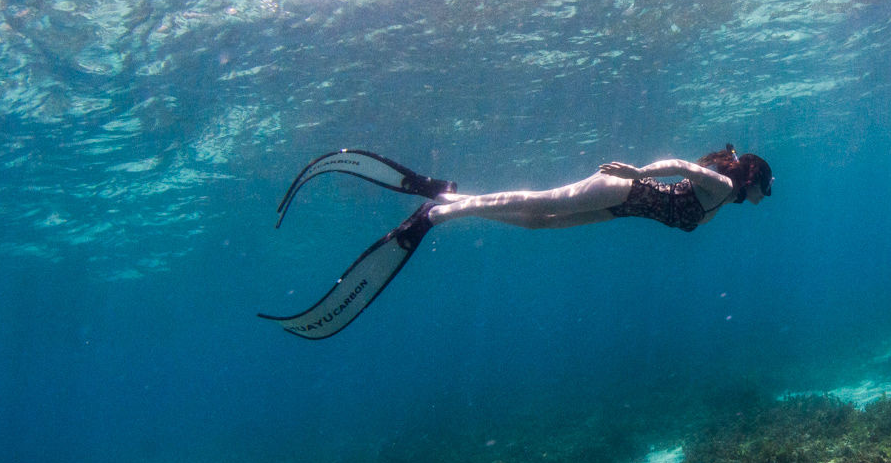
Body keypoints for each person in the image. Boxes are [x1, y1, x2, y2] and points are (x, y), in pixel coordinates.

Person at [259, 145, 772, 339]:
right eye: (765, 191)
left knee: (537, 222)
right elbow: (681, 166)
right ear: (752, 180)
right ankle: (439, 213)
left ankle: (448, 198)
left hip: (620, 207)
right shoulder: (724, 187)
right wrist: (637, 169)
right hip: (623, 188)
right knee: (538, 202)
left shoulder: (726, 199)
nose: (764, 199)